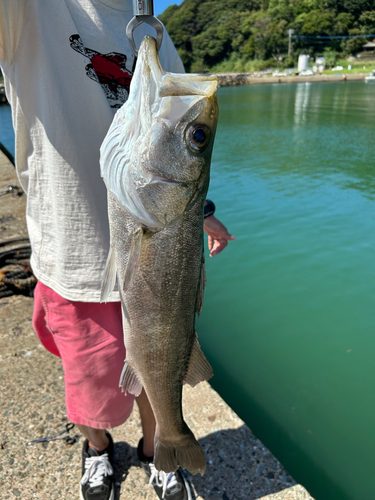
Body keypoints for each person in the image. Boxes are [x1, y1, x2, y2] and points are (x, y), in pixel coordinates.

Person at [0, 1, 236, 499]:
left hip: (156, 227)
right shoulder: (29, 14)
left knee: (161, 360)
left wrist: (202, 207)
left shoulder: (150, 27)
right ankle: (98, 447)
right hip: (73, 248)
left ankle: (161, 447)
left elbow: (178, 160)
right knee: (87, 377)